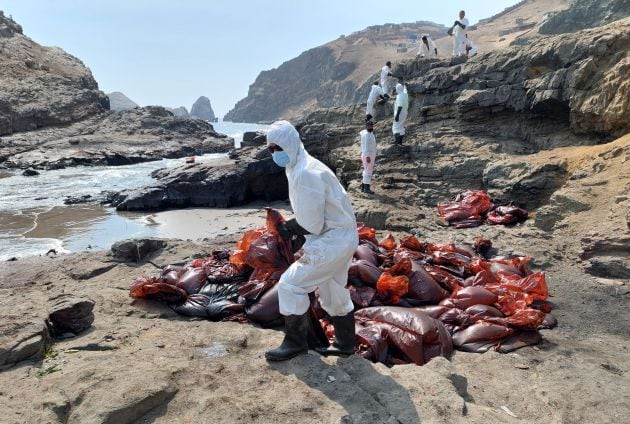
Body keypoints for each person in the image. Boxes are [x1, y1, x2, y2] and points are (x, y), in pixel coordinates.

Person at [264, 120, 359, 361]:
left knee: (290, 285)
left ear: (290, 144)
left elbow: (312, 223)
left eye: (278, 148)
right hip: (341, 237)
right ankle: (346, 344)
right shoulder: (302, 165)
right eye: (270, 149)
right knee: (333, 290)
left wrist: (287, 229)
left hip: (332, 241)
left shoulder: (306, 173)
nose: (275, 153)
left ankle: (296, 343)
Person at [360, 120, 377, 194]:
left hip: (370, 154)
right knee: (368, 171)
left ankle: (363, 187)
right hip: (368, 155)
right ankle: (366, 189)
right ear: (366, 126)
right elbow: (366, 146)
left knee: (366, 170)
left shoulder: (370, 133)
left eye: (372, 125)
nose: (371, 126)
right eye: (369, 125)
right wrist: (367, 156)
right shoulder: (366, 134)